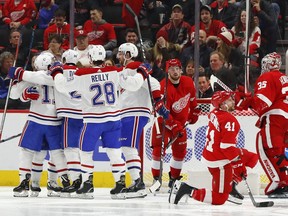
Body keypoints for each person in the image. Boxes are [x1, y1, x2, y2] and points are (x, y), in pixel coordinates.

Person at [49, 45, 153, 199]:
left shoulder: (82, 73)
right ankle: (120, 184)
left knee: (85, 152)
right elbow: (134, 84)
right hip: (113, 119)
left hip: (93, 121)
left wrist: (57, 71)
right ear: (104, 58)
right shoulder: (115, 72)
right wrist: (142, 72)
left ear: (90, 58)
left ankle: (88, 184)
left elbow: (61, 85)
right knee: (115, 152)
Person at [169, 91, 257, 205]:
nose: (233, 101)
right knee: (219, 199)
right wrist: (238, 165)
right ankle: (188, 190)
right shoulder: (229, 120)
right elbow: (226, 147)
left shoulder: (214, 112)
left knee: (252, 157)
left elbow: (231, 109)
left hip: (212, 154)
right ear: (223, 105)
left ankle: (232, 183)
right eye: (229, 100)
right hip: (220, 161)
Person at [9, 52, 69, 197]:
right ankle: (62, 181)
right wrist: (24, 93)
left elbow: (14, 94)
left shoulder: (36, 77)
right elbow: (14, 94)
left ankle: (25, 182)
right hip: (52, 121)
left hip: (36, 120)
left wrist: (20, 75)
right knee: (57, 153)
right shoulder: (58, 77)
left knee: (27, 152)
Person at [116, 42, 166, 198]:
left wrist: (158, 101)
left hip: (135, 112)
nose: (118, 56)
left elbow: (154, 83)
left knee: (128, 147)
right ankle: (136, 181)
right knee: (126, 147)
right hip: (128, 113)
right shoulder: (129, 70)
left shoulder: (134, 69)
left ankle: (138, 183)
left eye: (121, 53)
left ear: (129, 55)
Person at [238, 52, 288, 198]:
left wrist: (247, 101)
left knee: (270, 149)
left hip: (275, 118)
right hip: (285, 117)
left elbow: (261, 104)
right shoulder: (284, 77)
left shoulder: (267, 77)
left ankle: (281, 183)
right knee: (282, 151)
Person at [150, 58, 200, 191]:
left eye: (177, 68)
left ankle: (174, 179)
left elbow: (192, 100)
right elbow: (163, 111)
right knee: (158, 150)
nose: (175, 71)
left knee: (180, 152)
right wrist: (173, 125)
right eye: (172, 69)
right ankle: (156, 179)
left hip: (180, 123)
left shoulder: (188, 82)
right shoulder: (163, 87)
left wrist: (194, 112)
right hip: (163, 123)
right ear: (167, 71)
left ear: (181, 69)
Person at [53, 49, 83, 197]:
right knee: (79, 149)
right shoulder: (83, 72)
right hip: (84, 114)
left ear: (64, 59)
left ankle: (77, 180)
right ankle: (83, 179)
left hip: (69, 115)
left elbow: (57, 84)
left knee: (70, 149)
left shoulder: (60, 72)